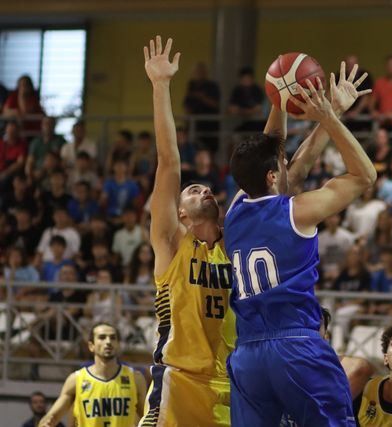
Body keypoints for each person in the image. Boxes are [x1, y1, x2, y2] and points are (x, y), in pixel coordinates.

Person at [224, 60, 375, 426]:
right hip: (296, 346)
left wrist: (280, 96)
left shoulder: (233, 213)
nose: (288, 157)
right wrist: (331, 117)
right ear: (273, 174)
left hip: (248, 355)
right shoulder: (298, 212)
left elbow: (286, 161)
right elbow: (364, 175)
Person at [140, 36, 236, 426]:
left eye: (207, 187)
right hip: (177, 378)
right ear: (180, 212)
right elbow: (168, 164)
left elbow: (274, 177)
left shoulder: (239, 245)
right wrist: (160, 86)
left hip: (232, 383)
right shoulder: (172, 242)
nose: (203, 188)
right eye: (193, 190)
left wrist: (279, 103)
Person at [38, 323, 146, 427]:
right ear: (91, 346)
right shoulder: (76, 380)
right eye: (102, 337)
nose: (108, 341)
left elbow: (148, 418)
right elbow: (51, 418)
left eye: (113, 338)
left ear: (118, 345)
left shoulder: (135, 378)